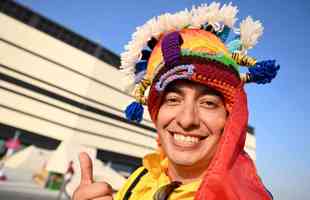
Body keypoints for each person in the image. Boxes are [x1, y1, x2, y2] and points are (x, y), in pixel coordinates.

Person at [72, 2, 279, 200]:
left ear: (230, 118)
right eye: (173, 99)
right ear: (156, 112)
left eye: (208, 103)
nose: (187, 119)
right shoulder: (138, 181)